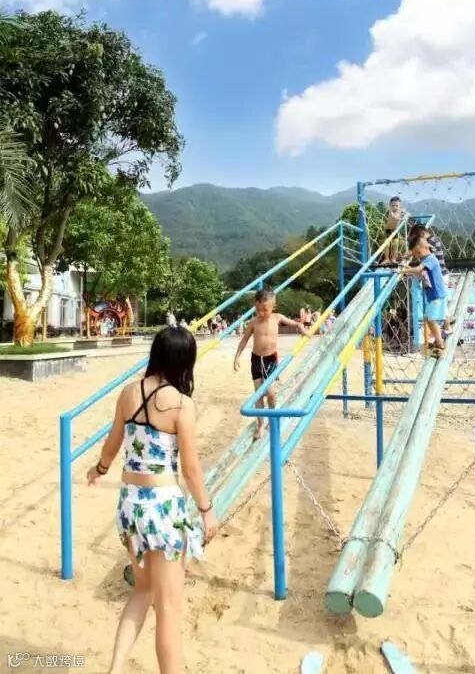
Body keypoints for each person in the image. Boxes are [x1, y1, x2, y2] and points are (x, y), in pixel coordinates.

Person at [87, 327, 216, 674]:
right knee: (169, 608)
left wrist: (99, 470)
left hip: (129, 505)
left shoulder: (129, 393)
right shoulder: (181, 404)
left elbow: (112, 444)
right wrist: (206, 511)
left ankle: (115, 669)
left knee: (143, 591)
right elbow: (191, 469)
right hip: (163, 509)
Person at [234, 288, 311, 439]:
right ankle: (260, 425)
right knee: (258, 394)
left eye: (265, 310)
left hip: (270, 359)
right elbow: (244, 340)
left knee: (270, 393)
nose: (261, 313)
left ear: (273, 306)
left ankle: (272, 415)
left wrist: (301, 328)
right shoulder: (253, 322)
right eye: (258, 310)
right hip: (256, 359)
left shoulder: (277, 318)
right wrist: (237, 356)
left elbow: (295, 324)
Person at [401, 236, 447, 355]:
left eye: (418, 252)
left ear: (426, 248)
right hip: (432, 295)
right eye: (416, 254)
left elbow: (418, 270)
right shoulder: (425, 260)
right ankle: (438, 340)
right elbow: (421, 275)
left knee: (431, 319)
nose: (417, 256)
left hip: (437, 294)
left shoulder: (431, 259)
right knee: (427, 318)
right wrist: (409, 269)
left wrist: (404, 271)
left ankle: (440, 344)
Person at [383, 196, 408, 263]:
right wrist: (402, 218)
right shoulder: (390, 212)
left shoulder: (401, 210)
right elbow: (395, 218)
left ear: (400, 206)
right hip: (388, 230)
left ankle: (393, 259)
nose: (394, 207)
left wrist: (406, 214)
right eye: (392, 206)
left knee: (395, 244)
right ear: (390, 206)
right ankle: (386, 259)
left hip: (395, 230)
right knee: (387, 244)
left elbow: (407, 213)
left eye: (396, 205)